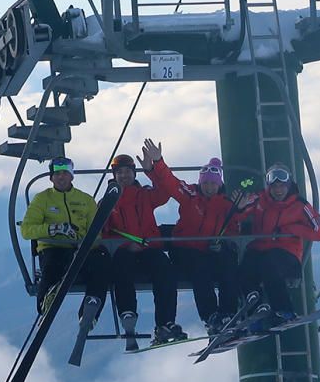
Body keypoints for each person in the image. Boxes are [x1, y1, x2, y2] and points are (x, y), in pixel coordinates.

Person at [138, 138, 245, 336]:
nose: (209, 187)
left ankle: (227, 314)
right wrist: (158, 162)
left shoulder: (227, 204)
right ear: (200, 182)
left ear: (219, 184)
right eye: (206, 183)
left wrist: (224, 241)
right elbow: (170, 183)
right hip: (185, 249)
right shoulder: (190, 195)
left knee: (228, 265)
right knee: (200, 270)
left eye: (213, 184)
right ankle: (211, 316)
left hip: (211, 250)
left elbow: (234, 227)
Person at [103, 153, 186, 348]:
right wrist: (123, 244)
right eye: (120, 172)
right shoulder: (108, 201)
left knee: (165, 269)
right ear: (114, 175)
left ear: (134, 173)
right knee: (121, 268)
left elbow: (165, 192)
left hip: (149, 248)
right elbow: (103, 231)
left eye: (128, 172)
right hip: (124, 250)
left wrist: (152, 170)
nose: (124, 176)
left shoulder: (145, 195)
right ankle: (128, 312)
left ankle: (165, 322)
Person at [20, 156, 112, 331]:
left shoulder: (85, 200)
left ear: (71, 176)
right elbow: (27, 230)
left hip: (82, 250)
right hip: (54, 248)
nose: (61, 177)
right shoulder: (43, 199)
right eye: (57, 174)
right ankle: (45, 302)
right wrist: (53, 230)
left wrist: (83, 242)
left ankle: (90, 308)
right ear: (51, 177)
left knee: (101, 261)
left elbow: (95, 231)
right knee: (53, 266)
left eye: (65, 173)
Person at [239, 163, 320, 329]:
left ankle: (284, 310)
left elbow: (318, 232)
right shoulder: (260, 199)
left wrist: (290, 229)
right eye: (274, 186)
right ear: (269, 186)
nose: (278, 190)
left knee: (270, 266)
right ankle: (254, 309)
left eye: (282, 186)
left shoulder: (300, 206)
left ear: (289, 185)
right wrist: (240, 207)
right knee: (245, 269)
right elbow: (239, 215)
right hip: (259, 249)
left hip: (287, 253)